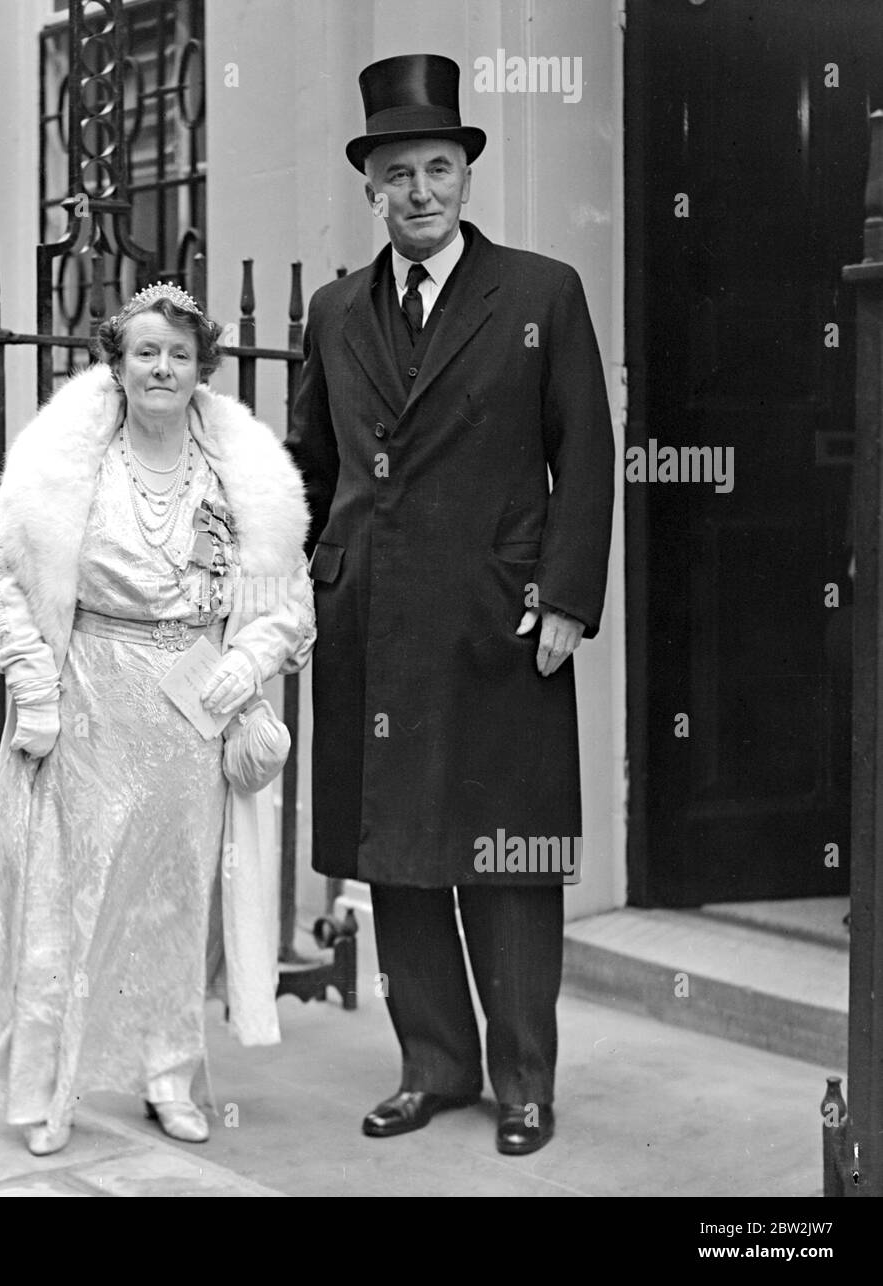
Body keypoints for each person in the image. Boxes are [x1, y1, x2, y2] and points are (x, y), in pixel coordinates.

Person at [286, 54, 614, 1156]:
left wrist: (565, 596)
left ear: (463, 175)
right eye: (396, 172)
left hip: (500, 621)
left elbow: (587, 451)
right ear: (369, 188)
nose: (419, 190)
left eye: (437, 167)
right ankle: (433, 1063)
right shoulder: (334, 310)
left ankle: (523, 1079)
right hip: (371, 623)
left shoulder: (539, 292)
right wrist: (294, 583)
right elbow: (310, 465)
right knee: (398, 855)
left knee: (507, 857)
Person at [0, 283, 315, 1157]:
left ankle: (169, 1077)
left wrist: (247, 662)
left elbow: (281, 597)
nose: (163, 368)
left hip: (191, 709)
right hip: (90, 701)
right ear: (117, 362)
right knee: (73, 900)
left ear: (201, 370)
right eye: (146, 352)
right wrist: (34, 687)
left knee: (176, 902)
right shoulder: (68, 469)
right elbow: (1, 582)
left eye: (180, 355)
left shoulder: (232, 474)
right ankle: (52, 1088)